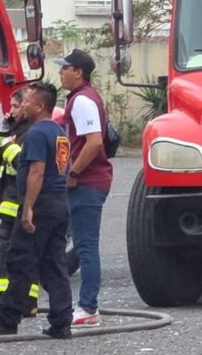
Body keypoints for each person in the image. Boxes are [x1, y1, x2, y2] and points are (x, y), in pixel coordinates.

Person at [0, 82, 73, 339]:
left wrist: (28, 208)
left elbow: (36, 171)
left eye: (27, 101)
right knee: (54, 264)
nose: (23, 105)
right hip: (59, 204)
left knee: (19, 261)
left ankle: (6, 321)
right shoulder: (58, 132)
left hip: (40, 205)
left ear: (40, 106)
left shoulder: (37, 134)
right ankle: (61, 322)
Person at [54, 49, 113, 328]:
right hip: (88, 181)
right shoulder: (83, 98)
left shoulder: (82, 101)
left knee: (87, 247)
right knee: (81, 244)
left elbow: (94, 142)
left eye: (64, 68)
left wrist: (74, 172)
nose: (60, 72)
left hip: (87, 182)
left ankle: (88, 307)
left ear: (78, 72)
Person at [0, 88, 39, 320]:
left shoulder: (31, 132)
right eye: (10, 106)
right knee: (24, 253)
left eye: (16, 106)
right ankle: (28, 303)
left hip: (18, 201)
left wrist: (7, 145)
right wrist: (3, 128)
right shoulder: (16, 128)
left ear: (27, 106)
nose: (10, 110)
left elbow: (20, 162)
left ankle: (0, 303)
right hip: (12, 200)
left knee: (5, 250)